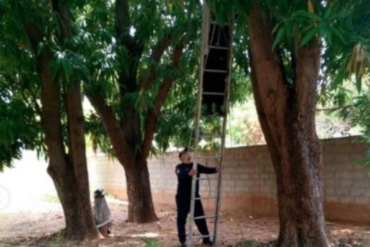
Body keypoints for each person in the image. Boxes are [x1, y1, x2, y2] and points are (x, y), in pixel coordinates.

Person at [175, 148, 219, 247]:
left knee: (200, 218)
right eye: (185, 154)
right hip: (182, 198)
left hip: (194, 197)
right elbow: (181, 176)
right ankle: (183, 241)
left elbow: (207, 170)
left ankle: (206, 239)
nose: (188, 155)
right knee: (181, 220)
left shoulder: (195, 166)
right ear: (181, 157)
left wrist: (217, 169)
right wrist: (189, 174)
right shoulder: (179, 167)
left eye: (188, 153)